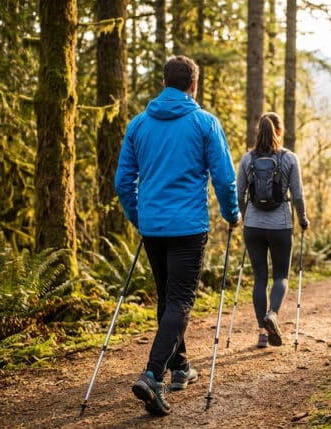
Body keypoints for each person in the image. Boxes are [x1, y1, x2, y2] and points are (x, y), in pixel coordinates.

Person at [114, 55, 240, 416]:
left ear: (164, 82)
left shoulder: (138, 125)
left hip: (153, 227)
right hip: (187, 227)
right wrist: (232, 214)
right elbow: (225, 178)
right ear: (193, 85)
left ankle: (180, 367)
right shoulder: (204, 123)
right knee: (180, 301)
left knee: (168, 298)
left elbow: (123, 182)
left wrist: (140, 218)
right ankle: (153, 374)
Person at [236, 112, 309, 349]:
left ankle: (262, 334)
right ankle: (273, 315)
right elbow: (297, 194)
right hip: (280, 226)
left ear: (260, 131)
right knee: (281, 276)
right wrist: (303, 219)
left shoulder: (247, 159)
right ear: (280, 132)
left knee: (259, 278)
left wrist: (243, 217)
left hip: (253, 226)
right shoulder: (289, 158)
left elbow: (239, 194)